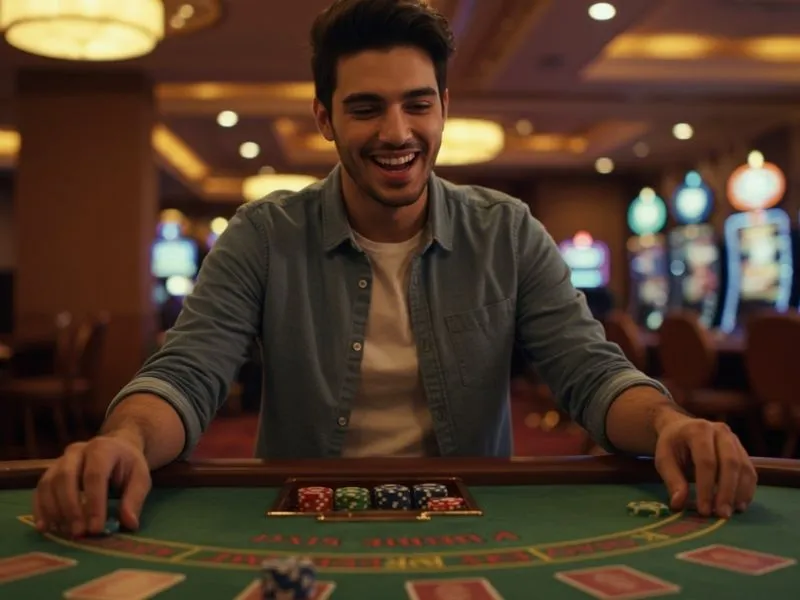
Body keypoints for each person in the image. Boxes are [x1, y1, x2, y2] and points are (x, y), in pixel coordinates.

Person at [33, 0, 756, 539]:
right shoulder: (263, 234)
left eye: (417, 105)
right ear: (325, 118)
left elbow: (588, 372)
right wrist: (125, 440)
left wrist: (667, 424)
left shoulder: (507, 231)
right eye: (366, 108)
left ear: (444, 108)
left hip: (472, 518)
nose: (397, 132)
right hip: (301, 517)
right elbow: (188, 374)